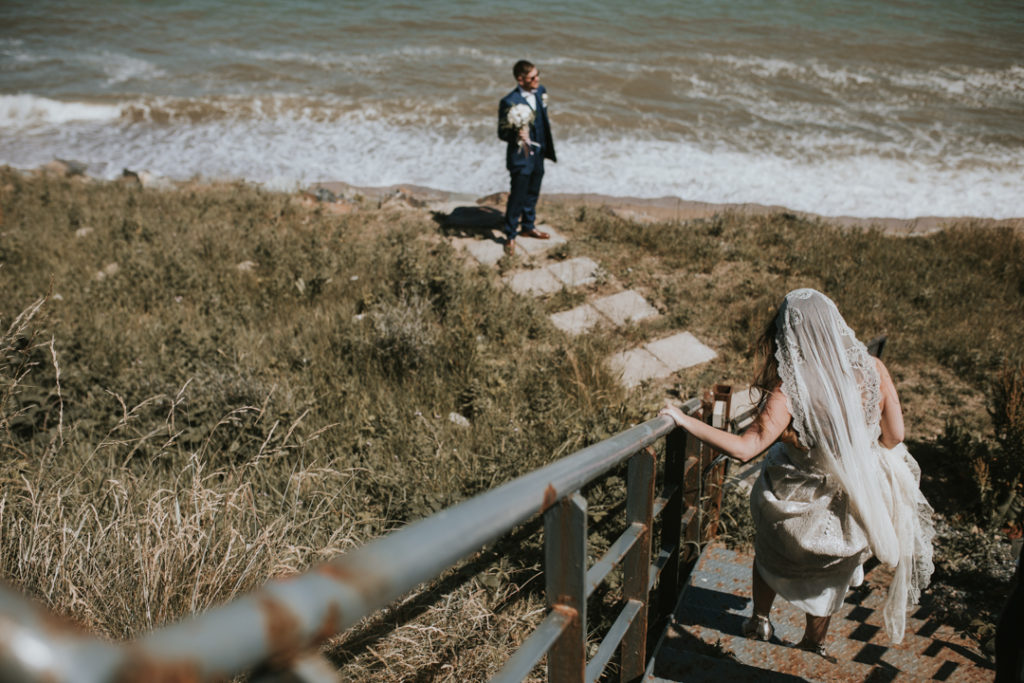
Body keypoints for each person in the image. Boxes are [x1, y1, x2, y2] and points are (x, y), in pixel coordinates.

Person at [660, 288, 934, 657]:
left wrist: (683, 420)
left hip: (795, 507)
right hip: (850, 511)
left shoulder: (789, 390)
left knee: (769, 553)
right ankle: (813, 643)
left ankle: (759, 619)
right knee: (829, 578)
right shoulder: (873, 370)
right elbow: (894, 436)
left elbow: (746, 448)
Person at [497, 60, 556, 255]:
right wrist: (516, 135)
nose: (537, 79)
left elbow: (543, 120)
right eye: (532, 77)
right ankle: (510, 235)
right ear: (520, 80)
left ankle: (529, 226)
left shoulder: (540, 91)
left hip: (539, 152)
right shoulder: (509, 101)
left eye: (538, 75)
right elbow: (501, 133)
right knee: (518, 196)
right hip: (520, 157)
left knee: (533, 191)